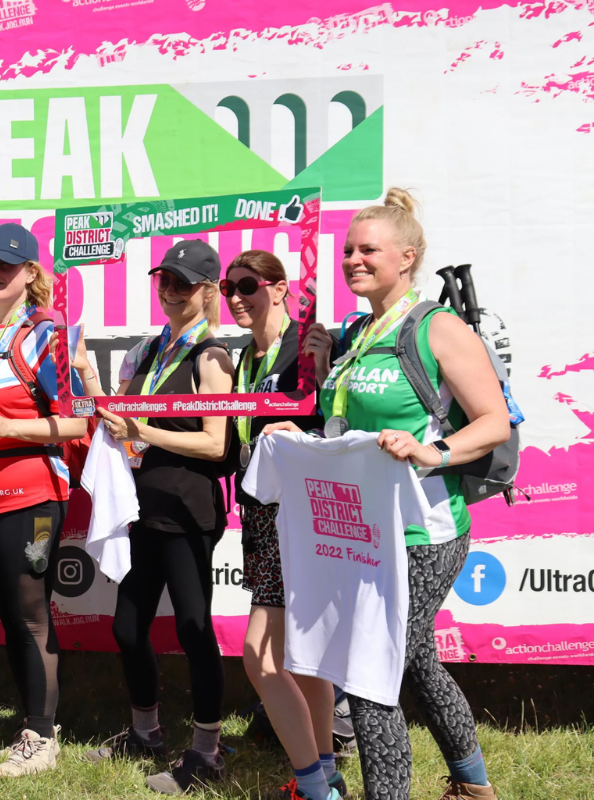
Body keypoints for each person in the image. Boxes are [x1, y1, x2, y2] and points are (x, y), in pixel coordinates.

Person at [265, 188, 509, 800]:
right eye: (347, 249)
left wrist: (436, 451)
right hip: (362, 529)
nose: (352, 260)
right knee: (415, 657)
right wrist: (312, 409)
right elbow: (349, 428)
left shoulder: (437, 327)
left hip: (426, 527)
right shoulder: (356, 333)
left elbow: (494, 420)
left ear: (408, 257)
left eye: (368, 249)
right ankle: (474, 784)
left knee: (371, 674)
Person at [75, 240, 234, 795]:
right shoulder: (148, 348)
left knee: (194, 630)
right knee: (127, 627)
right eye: (164, 281)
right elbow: (120, 416)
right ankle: (145, 733)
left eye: (183, 284)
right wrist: (89, 380)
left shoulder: (212, 358)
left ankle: (207, 752)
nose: (169, 292)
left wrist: (143, 432)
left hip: (187, 509)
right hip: (142, 504)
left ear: (209, 291)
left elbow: (216, 446)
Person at [0, 223, 89, 778]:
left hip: (33, 494)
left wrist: (10, 426)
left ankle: (42, 735)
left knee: (32, 611)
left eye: (5, 266)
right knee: (12, 613)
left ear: (31, 274)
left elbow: (77, 419)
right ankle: (32, 725)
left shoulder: (49, 334)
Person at [221, 250, 342, 800]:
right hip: (262, 517)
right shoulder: (246, 357)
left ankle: (314, 785)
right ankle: (326, 775)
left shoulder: (308, 345)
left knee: (260, 656)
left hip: (298, 519)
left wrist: (306, 422)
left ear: (280, 287)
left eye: (248, 285)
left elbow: (336, 426)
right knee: (307, 660)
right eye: (229, 288)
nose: (238, 297)